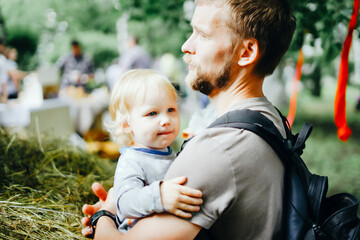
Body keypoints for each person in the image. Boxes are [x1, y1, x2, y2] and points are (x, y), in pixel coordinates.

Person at [82, 0, 296, 239]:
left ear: (246, 52)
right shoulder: (268, 117)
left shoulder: (217, 149)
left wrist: (106, 214)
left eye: (203, 35)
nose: (186, 46)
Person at [105, 69, 203, 233]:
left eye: (171, 109)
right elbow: (124, 203)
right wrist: (160, 196)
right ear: (126, 124)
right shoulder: (131, 161)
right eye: (152, 113)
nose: (165, 120)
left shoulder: (166, 152)